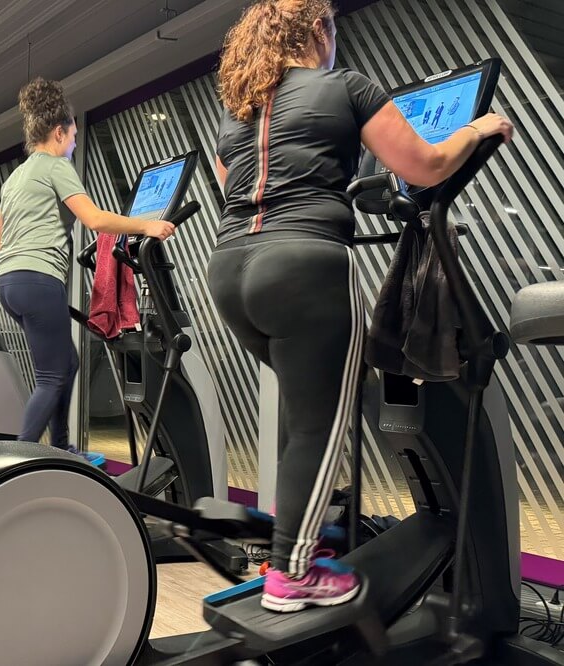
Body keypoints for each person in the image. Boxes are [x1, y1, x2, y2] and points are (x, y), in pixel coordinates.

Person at [208, 0, 513, 613]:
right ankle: (292, 574)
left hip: (229, 270)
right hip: (307, 265)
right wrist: (479, 129)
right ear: (320, 31)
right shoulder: (347, 87)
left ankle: (297, 544)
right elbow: (425, 164)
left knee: (303, 411)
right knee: (320, 426)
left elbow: (232, 189)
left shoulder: (238, 115)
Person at [0, 76, 176, 465]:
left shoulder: (14, 178)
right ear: (59, 133)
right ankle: (13, 462)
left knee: (68, 363)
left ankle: (61, 445)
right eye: (74, 137)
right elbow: (93, 219)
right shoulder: (56, 166)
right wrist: (147, 226)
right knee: (51, 376)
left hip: (9, 282)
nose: (74, 145)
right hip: (39, 279)